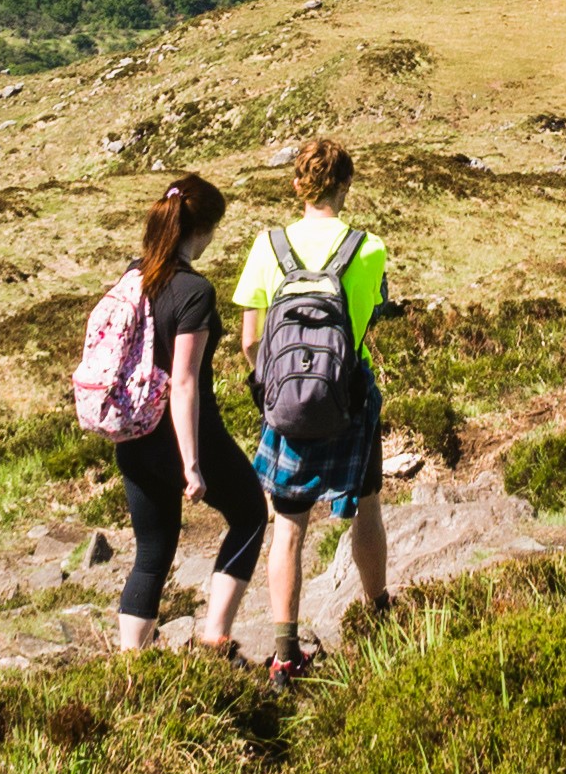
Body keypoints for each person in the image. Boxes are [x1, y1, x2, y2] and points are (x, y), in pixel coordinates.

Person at [235, 133, 395, 676]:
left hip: (285, 404)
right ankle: (378, 614)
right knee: (367, 505)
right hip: (348, 397)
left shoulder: (268, 245)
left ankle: (285, 654)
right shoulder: (368, 248)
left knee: (288, 526)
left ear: (298, 184)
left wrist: (275, 390)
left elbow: (250, 341)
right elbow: (363, 324)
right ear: (345, 184)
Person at [96, 173, 267, 660]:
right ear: (205, 230)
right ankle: (215, 637)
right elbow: (185, 381)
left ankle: (132, 668)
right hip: (184, 435)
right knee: (250, 512)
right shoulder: (195, 292)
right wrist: (191, 463)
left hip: (132, 435)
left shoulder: (134, 275)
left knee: (152, 551)